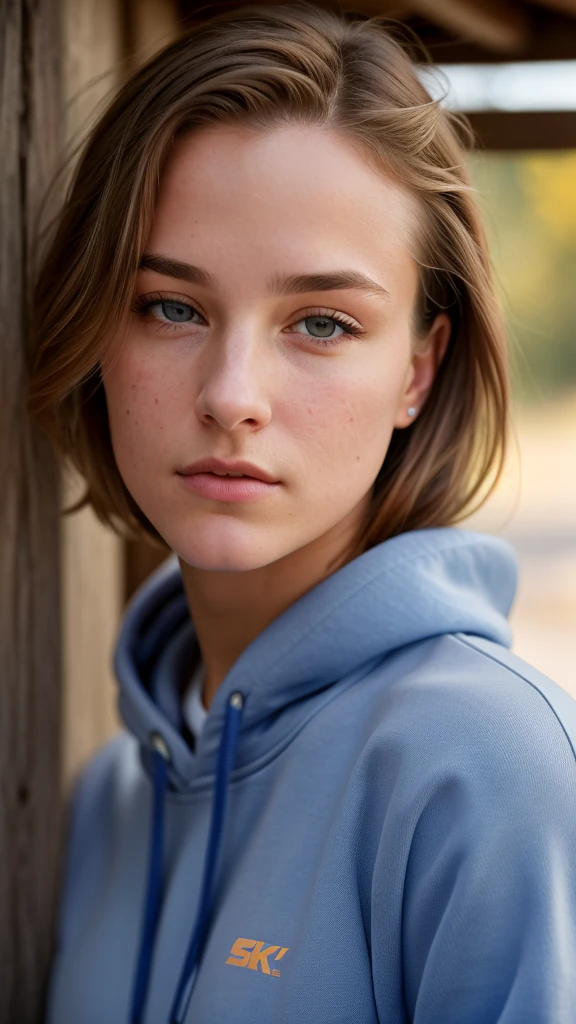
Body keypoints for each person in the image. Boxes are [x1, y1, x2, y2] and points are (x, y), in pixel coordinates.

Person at [26, 3, 576, 1022]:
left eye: (321, 322)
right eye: (171, 306)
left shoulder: (489, 761)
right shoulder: (111, 800)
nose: (233, 392)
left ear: (419, 367)